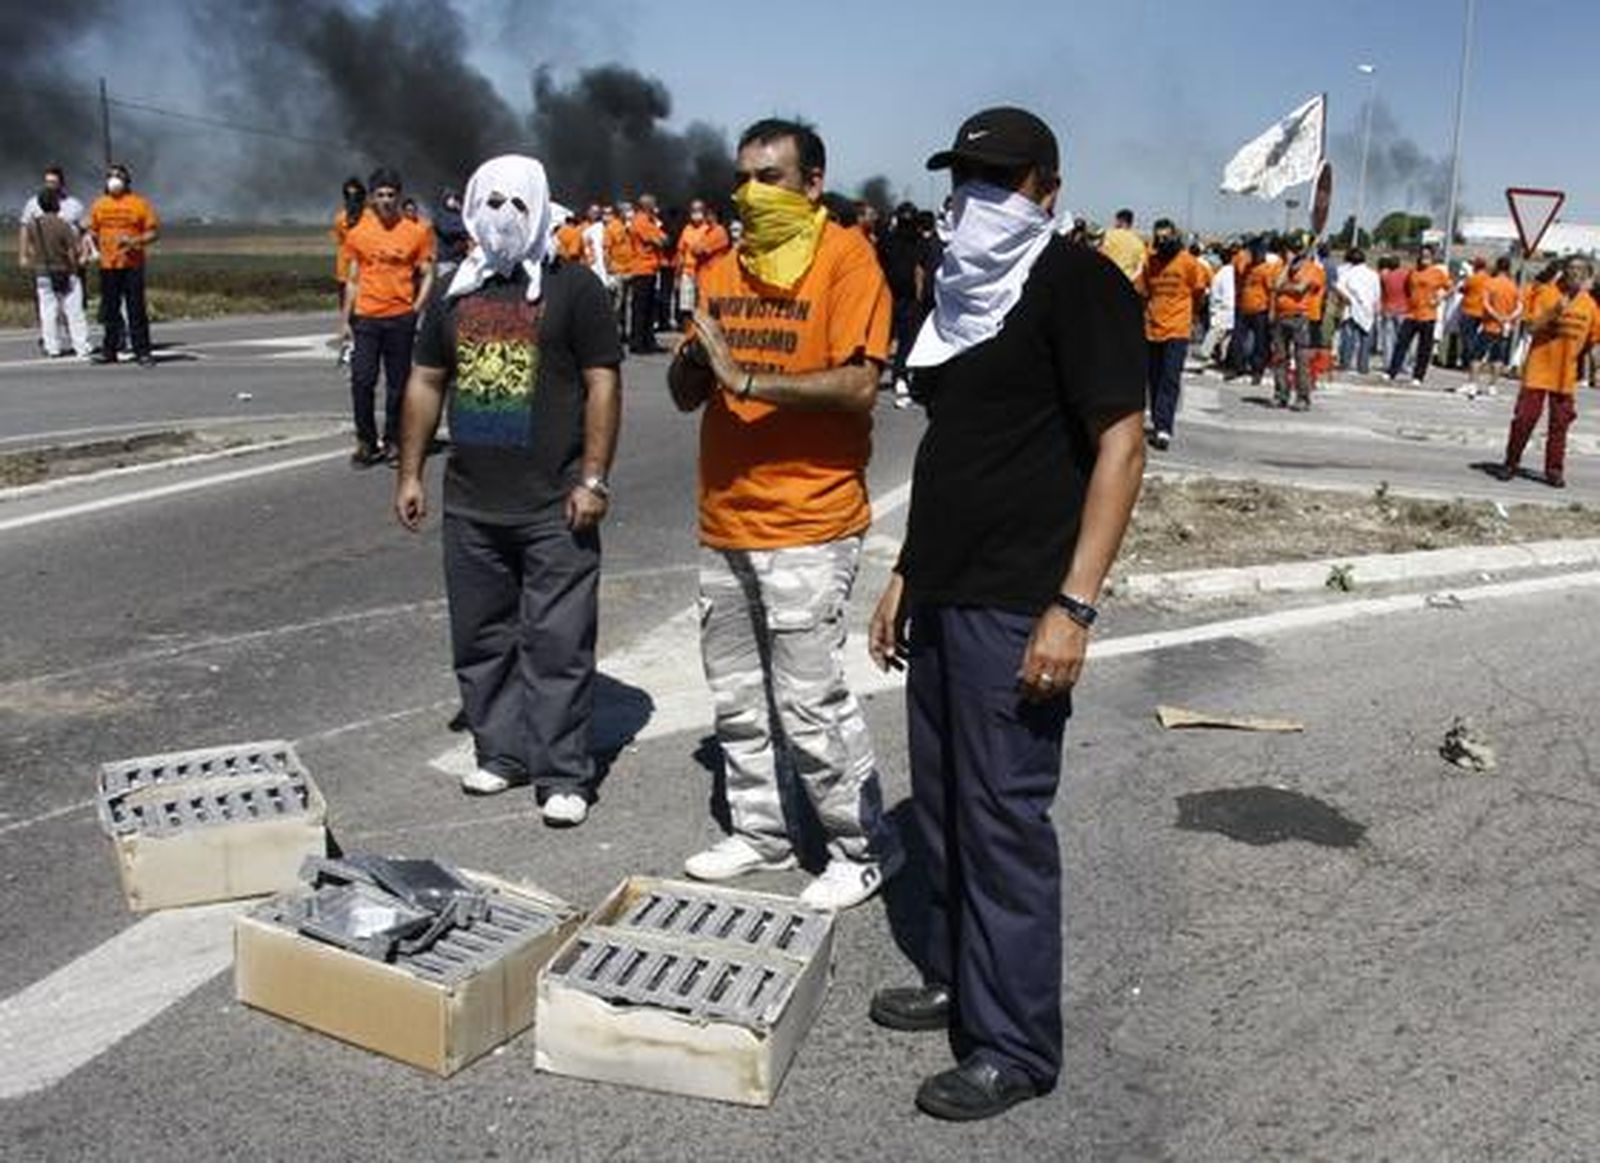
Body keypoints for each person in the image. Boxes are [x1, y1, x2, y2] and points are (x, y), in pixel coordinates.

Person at [865, 106, 1145, 1123]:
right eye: (965, 178)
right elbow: (950, 452)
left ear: (1048, 188)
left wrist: (1072, 605)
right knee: (942, 808)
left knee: (1002, 822)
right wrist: (904, 570)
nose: (978, 197)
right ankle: (955, 974)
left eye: (1001, 179)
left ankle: (1015, 1041)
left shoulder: (1080, 286)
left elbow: (1121, 446)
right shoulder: (959, 293)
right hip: (944, 590)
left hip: (1019, 600)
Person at [666, 116, 900, 911]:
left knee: (810, 700)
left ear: (812, 183)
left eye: (771, 176)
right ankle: (761, 832)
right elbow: (686, 392)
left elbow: (859, 384)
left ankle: (863, 846)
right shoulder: (722, 268)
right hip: (726, 516)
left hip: (811, 517)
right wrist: (697, 369)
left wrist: (748, 380)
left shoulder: (847, 260)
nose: (752, 193)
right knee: (735, 693)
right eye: (744, 178)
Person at [395, 154, 622, 825]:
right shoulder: (454, 292)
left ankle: (563, 772)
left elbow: (603, 382)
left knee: (557, 643)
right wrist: (409, 470)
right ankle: (502, 751)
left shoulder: (575, 289)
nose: (502, 218)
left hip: (555, 506)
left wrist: (594, 476)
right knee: (482, 636)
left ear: (541, 207)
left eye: (517, 205)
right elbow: (426, 381)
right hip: (472, 505)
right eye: (490, 203)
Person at [341, 167, 435, 466]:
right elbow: (353, 279)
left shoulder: (417, 231)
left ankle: (395, 439)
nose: (385, 200)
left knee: (399, 384)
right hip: (367, 317)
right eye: (380, 195)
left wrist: (415, 310)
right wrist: (345, 320)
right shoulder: (357, 234)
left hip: (400, 318)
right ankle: (366, 442)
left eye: (391, 195)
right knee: (362, 379)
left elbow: (428, 274)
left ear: (399, 196)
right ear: (371, 198)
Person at [1488, 255, 1597, 489]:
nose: (1574, 277)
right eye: (1571, 271)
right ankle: (1511, 462)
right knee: (1525, 419)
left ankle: (1554, 471)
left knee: (1559, 424)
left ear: (1588, 277)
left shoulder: (1589, 305)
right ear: (1564, 273)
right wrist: (1554, 312)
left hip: (1564, 375)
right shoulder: (1546, 293)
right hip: (1538, 370)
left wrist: (1595, 369)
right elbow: (1531, 327)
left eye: (1580, 273)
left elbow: (1594, 341)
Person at [1138, 217, 1207, 448]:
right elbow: (1143, 290)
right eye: (1159, 238)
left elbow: (1199, 292)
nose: (1162, 241)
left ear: (1175, 237)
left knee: (1170, 378)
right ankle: (1158, 420)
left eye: (1166, 237)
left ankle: (1164, 427)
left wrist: (1193, 315)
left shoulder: (1188, 262)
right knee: (1154, 379)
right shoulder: (1150, 261)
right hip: (1152, 328)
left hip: (1177, 329)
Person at [86, 162, 160, 367]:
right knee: (110, 310)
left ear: (127, 181)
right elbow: (92, 229)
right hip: (108, 265)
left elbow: (153, 232)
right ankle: (109, 351)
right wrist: (91, 242)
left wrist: (135, 241)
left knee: (136, 309)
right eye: (110, 175)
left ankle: (142, 351)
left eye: (118, 176)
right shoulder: (99, 204)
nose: (114, 179)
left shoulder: (139, 204)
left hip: (132, 264)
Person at [20, 187, 92, 359]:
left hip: (43, 272)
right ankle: (81, 346)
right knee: (74, 311)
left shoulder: (32, 224)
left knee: (47, 312)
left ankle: (52, 347)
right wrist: (78, 262)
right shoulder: (62, 224)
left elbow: (30, 246)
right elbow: (72, 250)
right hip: (65, 271)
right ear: (56, 204)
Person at [878, 201, 929, 406]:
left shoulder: (918, 242)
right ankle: (883, 372)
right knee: (886, 337)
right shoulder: (889, 240)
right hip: (891, 296)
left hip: (906, 298)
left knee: (904, 339)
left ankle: (899, 374)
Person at [1271, 233, 1324, 409]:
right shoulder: (1282, 268)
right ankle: (1281, 394)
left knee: (1301, 359)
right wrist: (1287, 269)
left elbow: (1301, 289)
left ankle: (1303, 397)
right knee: (1280, 358)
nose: (1288, 254)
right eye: (1287, 251)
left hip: (1300, 317)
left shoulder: (1311, 268)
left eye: (1292, 251)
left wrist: (1285, 288)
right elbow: (1276, 285)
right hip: (1280, 316)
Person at [1386, 245, 1451, 384]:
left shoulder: (1437, 272)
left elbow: (1449, 287)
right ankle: (1392, 371)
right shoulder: (1413, 272)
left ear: (1432, 257)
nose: (1424, 258)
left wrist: (1439, 298)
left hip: (1428, 315)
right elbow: (1407, 289)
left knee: (1424, 348)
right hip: (1411, 313)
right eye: (1422, 256)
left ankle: (1418, 376)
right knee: (1401, 343)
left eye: (1427, 256)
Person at [673, 199, 728, 328]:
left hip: (706, 273)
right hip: (688, 272)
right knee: (686, 306)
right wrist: (677, 274)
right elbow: (681, 251)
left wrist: (696, 248)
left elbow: (700, 250)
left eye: (699, 211)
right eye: (693, 211)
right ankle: (689, 331)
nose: (696, 214)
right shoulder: (687, 229)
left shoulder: (712, 230)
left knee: (704, 306)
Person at [625, 194, 669, 353]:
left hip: (648, 268)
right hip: (643, 269)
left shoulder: (646, 221)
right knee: (642, 308)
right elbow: (661, 240)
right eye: (654, 204)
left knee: (648, 308)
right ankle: (639, 343)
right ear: (647, 206)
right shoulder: (642, 222)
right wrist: (661, 238)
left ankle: (647, 340)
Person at [1473, 256, 1521, 389]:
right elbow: (1520, 306)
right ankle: (1492, 385)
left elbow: (1485, 303)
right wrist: (1509, 318)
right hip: (1505, 327)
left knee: (1477, 355)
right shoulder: (1513, 286)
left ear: (1497, 267)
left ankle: (1473, 383)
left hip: (1489, 324)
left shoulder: (1490, 283)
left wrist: (1496, 316)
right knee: (1498, 357)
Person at [1332, 248, 1380, 375]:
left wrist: (1347, 299)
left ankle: (1345, 364)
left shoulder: (1347, 273)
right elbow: (1377, 294)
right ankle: (1363, 366)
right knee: (1365, 339)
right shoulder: (1373, 274)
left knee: (1348, 338)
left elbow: (1338, 287)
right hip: (1367, 308)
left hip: (1351, 309)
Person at [1198, 242, 1236, 368]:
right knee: (1221, 335)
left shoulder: (1220, 273)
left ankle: (1217, 357)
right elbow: (1229, 293)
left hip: (1221, 308)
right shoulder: (1231, 273)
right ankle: (1210, 355)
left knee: (1220, 335)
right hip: (1227, 309)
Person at [1457, 256, 1490, 369]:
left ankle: (1469, 361)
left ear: (1476, 266)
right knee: (1475, 337)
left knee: (1468, 338)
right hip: (1482, 312)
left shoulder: (1473, 278)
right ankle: (1474, 360)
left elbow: (1462, 289)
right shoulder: (1488, 279)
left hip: (1469, 310)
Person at [1099, 207, 1145, 281]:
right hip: (1126, 281)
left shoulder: (1107, 235)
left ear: (1119, 221)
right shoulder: (1138, 242)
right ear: (1131, 222)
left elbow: (1099, 255)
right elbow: (1140, 268)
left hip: (1107, 279)